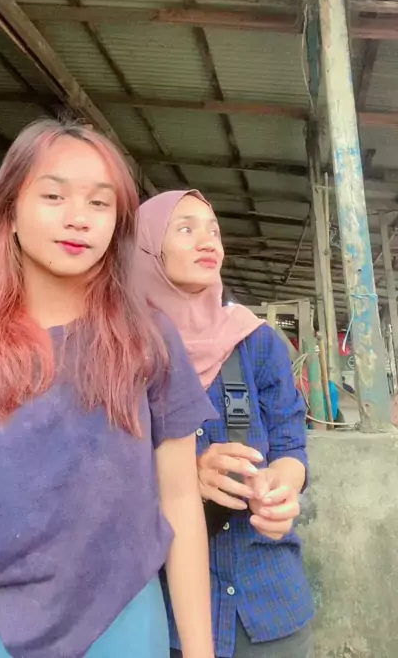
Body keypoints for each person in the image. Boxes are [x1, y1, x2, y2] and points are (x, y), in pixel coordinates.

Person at [0, 123, 217, 658]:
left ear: (117, 225)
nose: (79, 217)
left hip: (122, 619)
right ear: (10, 213)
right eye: (54, 196)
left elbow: (178, 498)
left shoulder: (147, 341)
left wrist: (200, 651)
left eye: (100, 203)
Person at [135, 190, 315, 658]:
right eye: (186, 228)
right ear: (147, 247)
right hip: (163, 615)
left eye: (213, 230)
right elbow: (97, 474)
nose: (208, 240)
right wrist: (184, 479)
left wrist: (280, 489)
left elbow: (290, 445)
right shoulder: (123, 350)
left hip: (269, 605)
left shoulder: (256, 341)